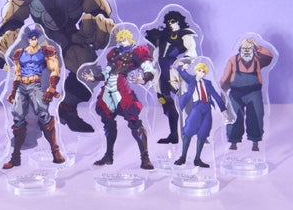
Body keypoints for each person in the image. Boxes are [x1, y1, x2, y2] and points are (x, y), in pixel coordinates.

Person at [0, 0, 115, 133]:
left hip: (70, 37)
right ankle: (29, 123)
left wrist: (100, 23)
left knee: (90, 73)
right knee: (35, 81)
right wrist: (7, 36)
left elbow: (98, 11)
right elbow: (13, 17)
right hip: (41, 39)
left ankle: (67, 110)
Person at [81, 29, 155, 169]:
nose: (122, 42)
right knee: (108, 120)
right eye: (120, 40)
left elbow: (148, 67)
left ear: (130, 39)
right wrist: (94, 77)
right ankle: (108, 156)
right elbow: (108, 72)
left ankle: (145, 158)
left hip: (122, 88)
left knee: (133, 120)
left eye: (124, 39)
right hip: (109, 88)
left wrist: (144, 79)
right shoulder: (114, 53)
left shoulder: (137, 51)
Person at [2, 28, 65, 169]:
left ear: (37, 39)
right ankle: (15, 158)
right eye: (31, 39)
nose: (33, 41)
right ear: (28, 40)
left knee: (43, 115)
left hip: (35, 85)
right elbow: (17, 73)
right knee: (18, 117)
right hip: (22, 86)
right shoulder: (20, 53)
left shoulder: (45, 51)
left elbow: (55, 68)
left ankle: (55, 152)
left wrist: (52, 88)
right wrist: (13, 91)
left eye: (35, 39)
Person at [144, 10, 197, 144]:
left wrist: (185, 62)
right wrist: (149, 68)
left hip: (173, 71)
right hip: (160, 74)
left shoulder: (185, 34)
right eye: (168, 22)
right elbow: (155, 55)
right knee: (166, 104)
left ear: (179, 21)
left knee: (186, 101)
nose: (170, 24)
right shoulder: (163, 36)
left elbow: (192, 51)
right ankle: (173, 135)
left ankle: (195, 131)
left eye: (173, 21)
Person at [220, 38, 273, 152]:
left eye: (249, 48)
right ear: (240, 49)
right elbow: (225, 77)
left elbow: (269, 57)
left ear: (253, 49)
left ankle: (255, 142)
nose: (247, 50)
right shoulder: (233, 60)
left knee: (256, 116)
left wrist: (256, 45)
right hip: (236, 93)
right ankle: (233, 141)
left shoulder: (258, 60)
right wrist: (222, 93)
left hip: (254, 93)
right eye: (244, 48)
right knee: (234, 116)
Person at [174, 62, 228, 168]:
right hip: (197, 106)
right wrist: (182, 67)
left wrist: (223, 109)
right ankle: (183, 157)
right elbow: (181, 72)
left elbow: (215, 95)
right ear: (196, 71)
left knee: (203, 132)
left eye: (203, 72)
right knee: (188, 130)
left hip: (207, 108)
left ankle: (197, 159)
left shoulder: (207, 83)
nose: (201, 73)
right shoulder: (191, 79)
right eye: (199, 70)